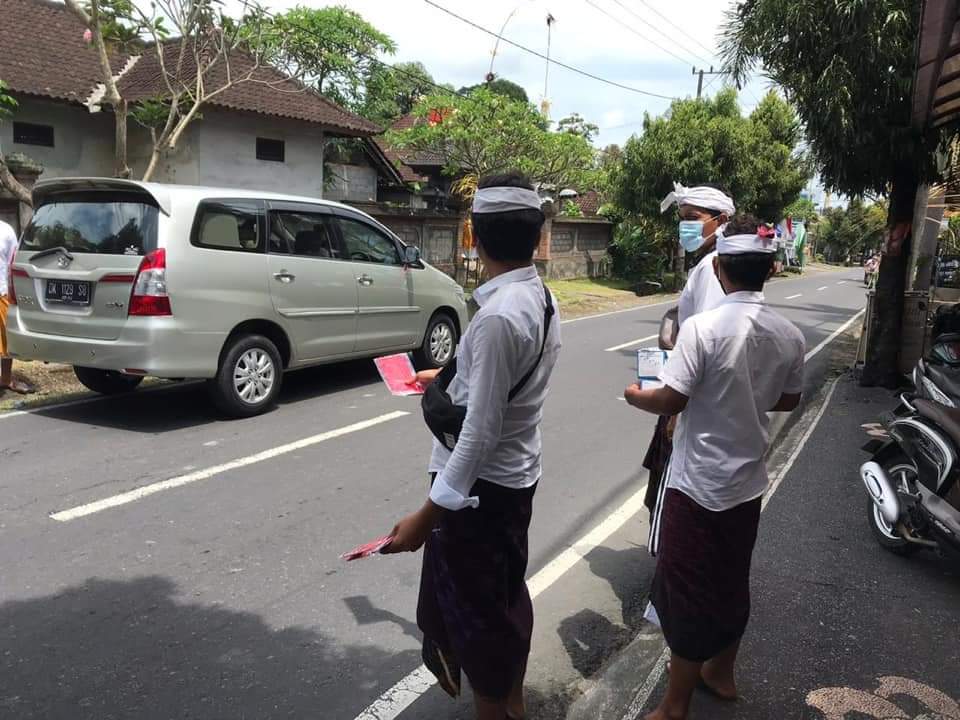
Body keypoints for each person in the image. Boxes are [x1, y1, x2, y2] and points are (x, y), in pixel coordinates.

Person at [382, 172, 562, 720]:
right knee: (504, 601)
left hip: (478, 494)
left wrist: (425, 517)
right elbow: (506, 387)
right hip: (514, 482)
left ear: (473, 236)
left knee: (481, 623)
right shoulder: (538, 298)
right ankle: (514, 705)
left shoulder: (497, 320)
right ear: (535, 237)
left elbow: (480, 434)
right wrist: (450, 376)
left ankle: (497, 707)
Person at [624, 214, 805, 720]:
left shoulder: (703, 329)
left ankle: (673, 704)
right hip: (746, 484)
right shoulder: (789, 333)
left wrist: (636, 396)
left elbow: (672, 399)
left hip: (697, 484)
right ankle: (721, 671)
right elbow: (789, 399)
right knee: (730, 578)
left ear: (720, 268)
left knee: (685, 588)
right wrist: (748, 394)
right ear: (770, 270)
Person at [642, 183, 736, 523]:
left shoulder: (713, 269)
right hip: (693, 397)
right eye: (682, 218)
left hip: (689, 400)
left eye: (693, 218)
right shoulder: (710, 264)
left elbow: (705, 344)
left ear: (721, 220)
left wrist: (677, 409)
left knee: (675, 496)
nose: (685, 226)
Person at [0, 219, 31, 395]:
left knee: (6, 339)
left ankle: (5, 379)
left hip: (2, 292)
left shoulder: (6, 230)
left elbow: (13, 261)